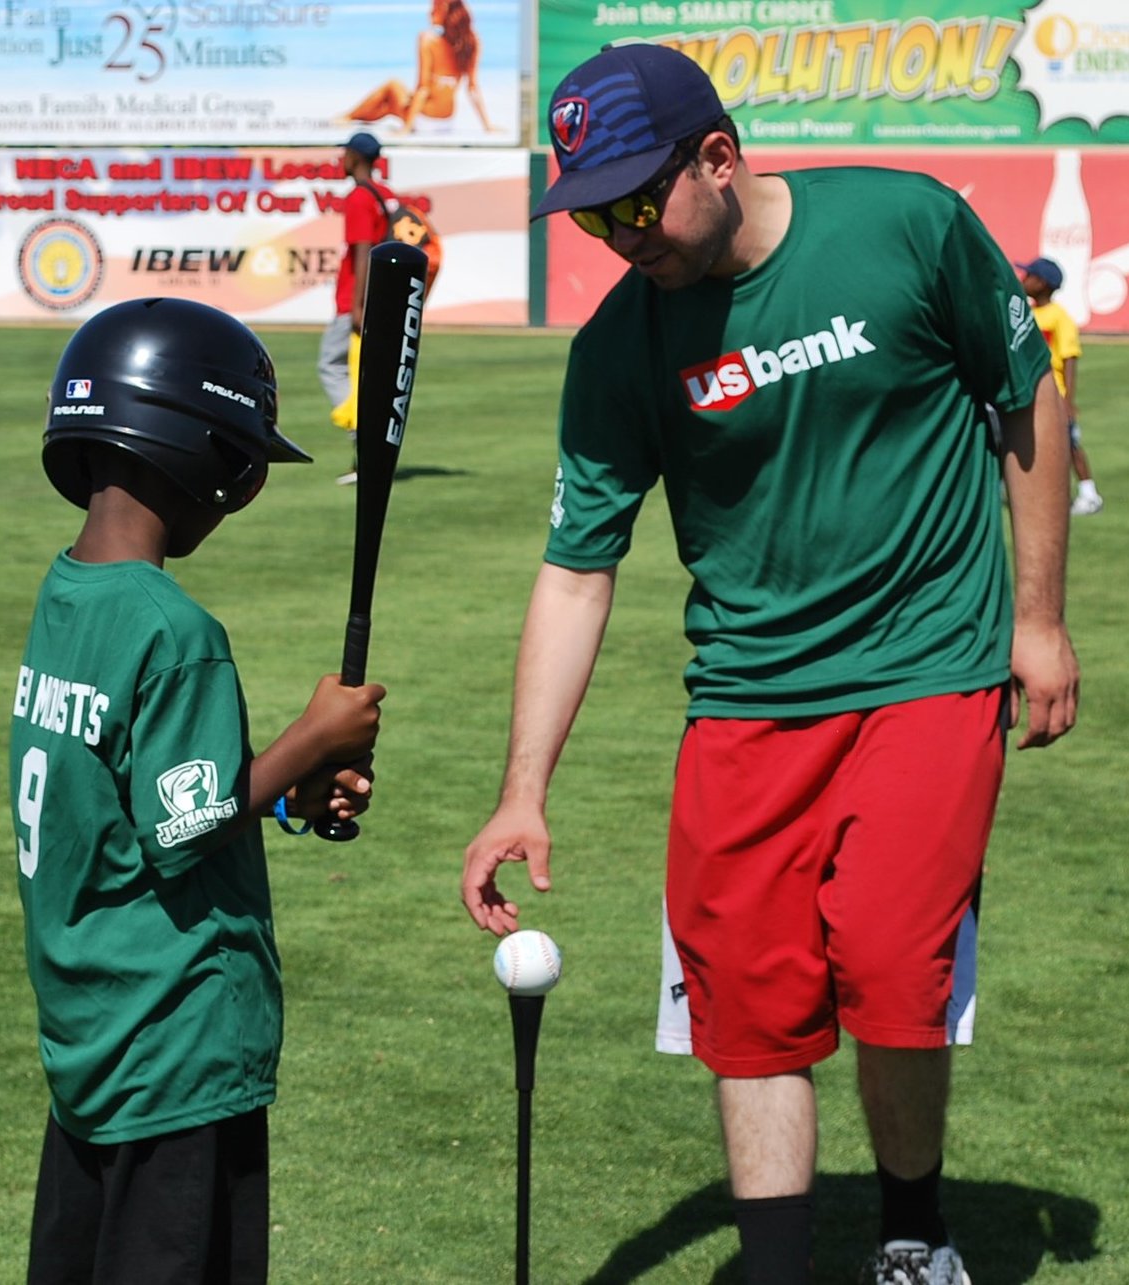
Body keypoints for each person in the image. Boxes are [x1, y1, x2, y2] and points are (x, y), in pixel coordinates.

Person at [459, 44, 1079, 1285]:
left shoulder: (904, 224)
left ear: (720, 158)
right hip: (745, 695)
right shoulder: (620, 345)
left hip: (927, 665)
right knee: (744, 998)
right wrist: (524, 784)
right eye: (591, 212)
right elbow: (579, 568)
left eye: (638, 201)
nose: (617, 234)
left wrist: (1040, 618)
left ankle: (913, 1236)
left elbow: (1026, 395)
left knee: (895, 961)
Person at [12, 297, 386, 1284]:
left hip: (91, 1036)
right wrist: (317, 737)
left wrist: (284, 785)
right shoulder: (174, 630)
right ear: (209, 456)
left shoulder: (67, 595)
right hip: (176, 1044)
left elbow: (149, 801)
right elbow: (185, 825)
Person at [317, 131, 395, 485]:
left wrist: (358, 304)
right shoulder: (385, 195)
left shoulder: (360, 198)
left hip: (356, 299)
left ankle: (361, 431)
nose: (341, 158)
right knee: (363, 372)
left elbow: (364, 250)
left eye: (345, 152)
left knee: (330, 364)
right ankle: (365, 448)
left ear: (355, 156)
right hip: (381, 298)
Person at [1017, 256, 1102, 516]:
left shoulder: (1059, 318)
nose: (1023, 279)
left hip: (1055, 394)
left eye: (1028, 275)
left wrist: (1067, 401)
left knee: (1069, 446)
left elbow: (1069, 357)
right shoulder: (1026, 313)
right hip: (1030, 393)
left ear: (1041, 284)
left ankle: (1090, 494)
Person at [343, 0, 494, 135]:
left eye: (434, 7)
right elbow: (473, 88)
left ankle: (347, 117)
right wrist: (488, 126)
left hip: (424, 120)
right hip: (447, 122)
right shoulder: (471, 42)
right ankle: (353, 119)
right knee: (387, 108)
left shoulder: (428, 40)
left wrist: (406, 129)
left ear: (444, 10)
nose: (429, 12)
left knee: (392, 85)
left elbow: (423, 88)